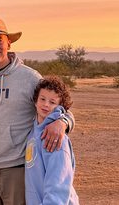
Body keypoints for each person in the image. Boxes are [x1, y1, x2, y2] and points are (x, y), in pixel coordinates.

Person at [0, 18, 75, 205]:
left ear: (9, 42)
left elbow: (62, 107)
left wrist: (62, 122)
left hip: (17, 167)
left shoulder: (29, 78)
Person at [25, 76, 79, 205]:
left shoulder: (55, 138)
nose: (45, 104)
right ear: (35, 101)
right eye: (42, 99)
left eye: (52, 102)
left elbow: (58, 184)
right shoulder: (34, 131)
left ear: (60, 106)